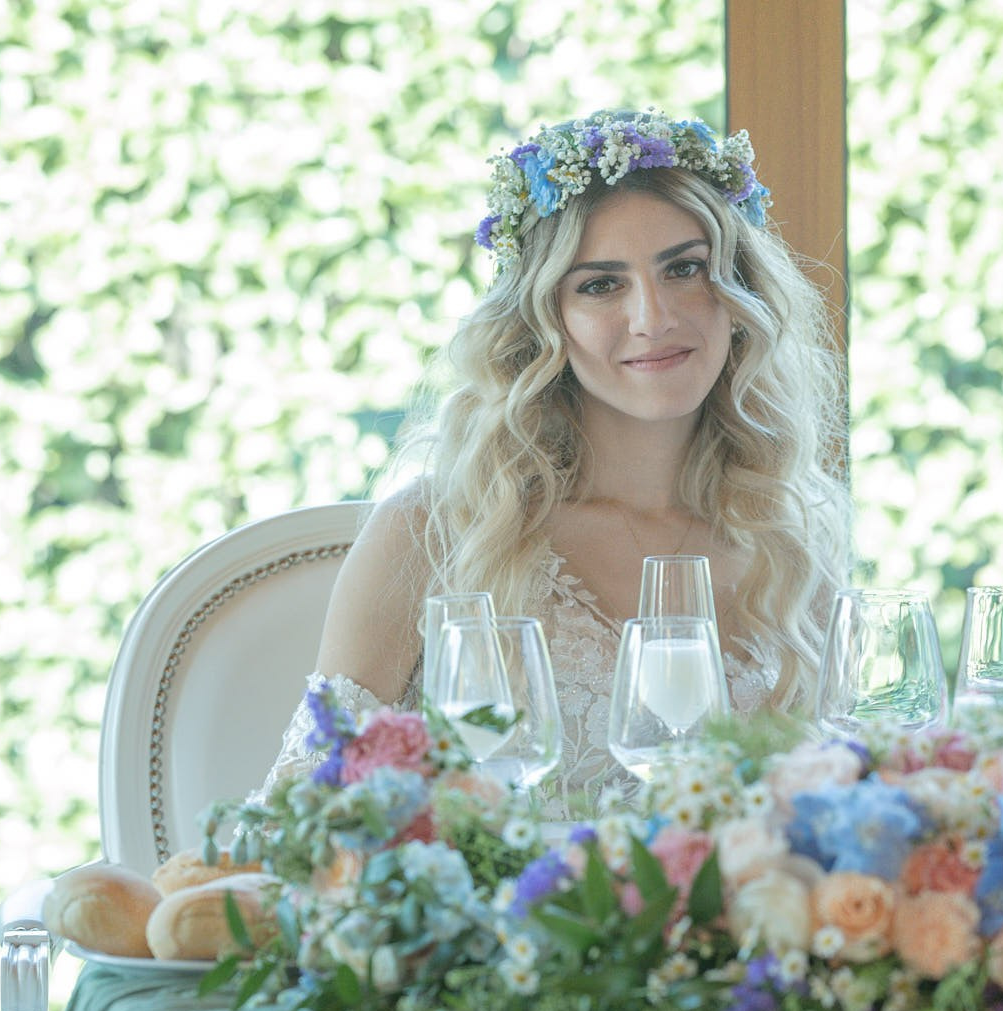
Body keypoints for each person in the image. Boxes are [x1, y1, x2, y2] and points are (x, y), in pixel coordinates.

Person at [267, 108, 852, 798]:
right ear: (545, 319)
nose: (653, 317)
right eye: (601, 284)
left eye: (686, 269)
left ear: (739, 294)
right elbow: (303, 819)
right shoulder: (434, 535)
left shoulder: (790, 540)